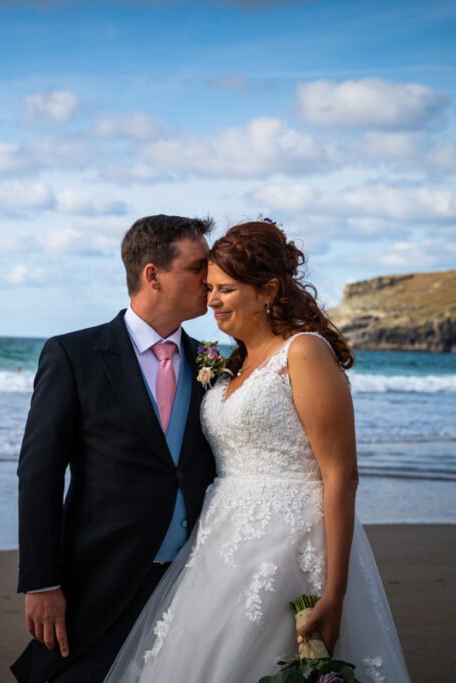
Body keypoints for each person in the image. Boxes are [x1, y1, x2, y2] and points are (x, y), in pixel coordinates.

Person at [105, 221, 410, 682]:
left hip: (291, 544)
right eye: (209, 288)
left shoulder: (303, 353)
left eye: (225, 289)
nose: (211, 301)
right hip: (218, 541)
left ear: (267, 291)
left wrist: (335, 591)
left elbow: (341, 476)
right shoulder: (230, 364)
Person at [12, 215, 218, 683]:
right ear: (153, 275)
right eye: (197, 267)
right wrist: (42, 581)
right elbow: (39, 473)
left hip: (191, 580)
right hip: (101, 576)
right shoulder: (74, 355)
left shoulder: (215, 362)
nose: (210, 279)